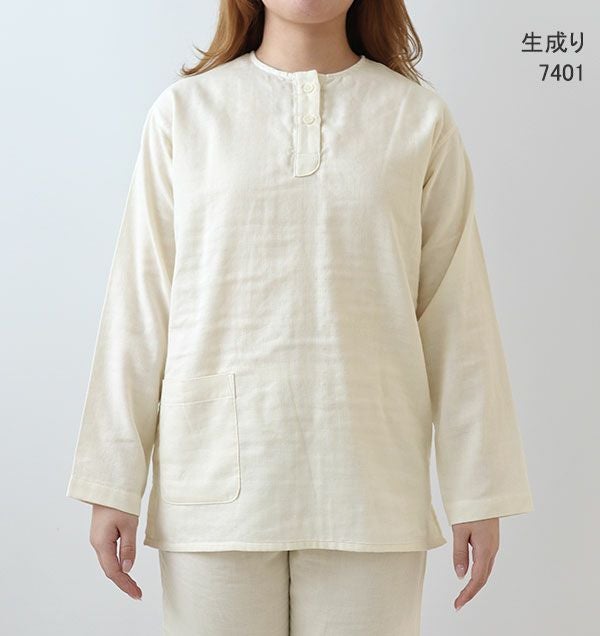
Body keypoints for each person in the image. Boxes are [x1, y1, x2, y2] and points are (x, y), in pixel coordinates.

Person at [66, 1, 534, 634]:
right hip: (213, 483)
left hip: (370, 485)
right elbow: (139, 303)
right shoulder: (185, 115)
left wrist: (478, 489)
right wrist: (112, 481)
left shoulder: (418, 120)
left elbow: (458, 317)